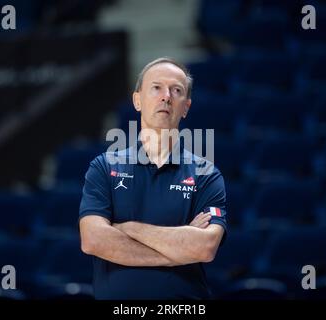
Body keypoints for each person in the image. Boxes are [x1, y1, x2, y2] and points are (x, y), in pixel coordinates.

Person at [78, 57, 227, 299]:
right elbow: (93, 240)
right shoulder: (104, 167)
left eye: (176, 90)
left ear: (186, 106)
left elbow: (204, 248)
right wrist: (176, 250)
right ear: (137, 100)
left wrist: (128, 228)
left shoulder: (206, 174)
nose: (166, 96)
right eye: (156, 87)